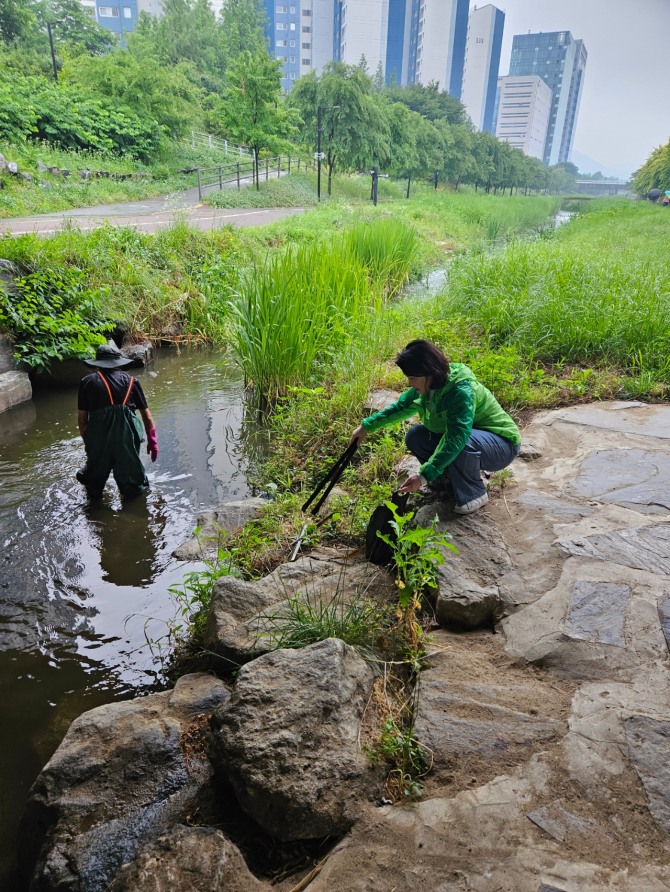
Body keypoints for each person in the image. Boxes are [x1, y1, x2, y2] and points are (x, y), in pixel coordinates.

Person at [351, 340, 521, 515]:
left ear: (429, 372)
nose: (410, 383)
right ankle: (445, 481)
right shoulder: (430, 387)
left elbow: (456, 438)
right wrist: (366, 427)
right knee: (416, 436)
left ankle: (473, 493)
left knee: (460, 441)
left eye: (413, 377)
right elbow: (400, 407)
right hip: (474, 440)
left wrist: (423, 476)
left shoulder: (460, 391)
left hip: (501, 445)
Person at [76, 341, 158, 500]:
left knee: (93, 481)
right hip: (126, 440)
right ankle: (134, 516)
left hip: (98, 439)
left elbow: (82, 418)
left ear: (98, 364)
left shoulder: (87, 382)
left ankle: (95, 511)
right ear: (118, 363)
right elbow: (146, 415)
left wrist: (89, 440)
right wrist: (152, 441)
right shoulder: (132, 382)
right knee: (133, 485)